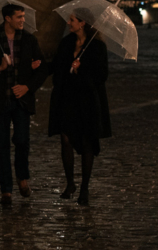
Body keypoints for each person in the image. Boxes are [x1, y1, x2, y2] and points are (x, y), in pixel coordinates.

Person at [0, 2, 48, 205]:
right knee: (2, 146)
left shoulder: (29, 40)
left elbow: (43, 69)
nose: (23, 20)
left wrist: (28, 87)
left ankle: (22, 177)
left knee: (22, 141)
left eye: (23, 16)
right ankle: (6, 189)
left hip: (22, 101)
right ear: (7, 18)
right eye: (19, 17)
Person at [47, 13, 111, 205]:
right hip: (67, 98)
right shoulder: (66, 42)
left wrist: (81, 68)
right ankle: (70, 183)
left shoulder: (97, 47)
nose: (68, 23)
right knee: (65, 138)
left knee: (86, 142)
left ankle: (84, 188)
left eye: (72, 21)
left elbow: (101, 75)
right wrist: (40, 65)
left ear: (82, 23)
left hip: (87, 100)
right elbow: (57, 66)